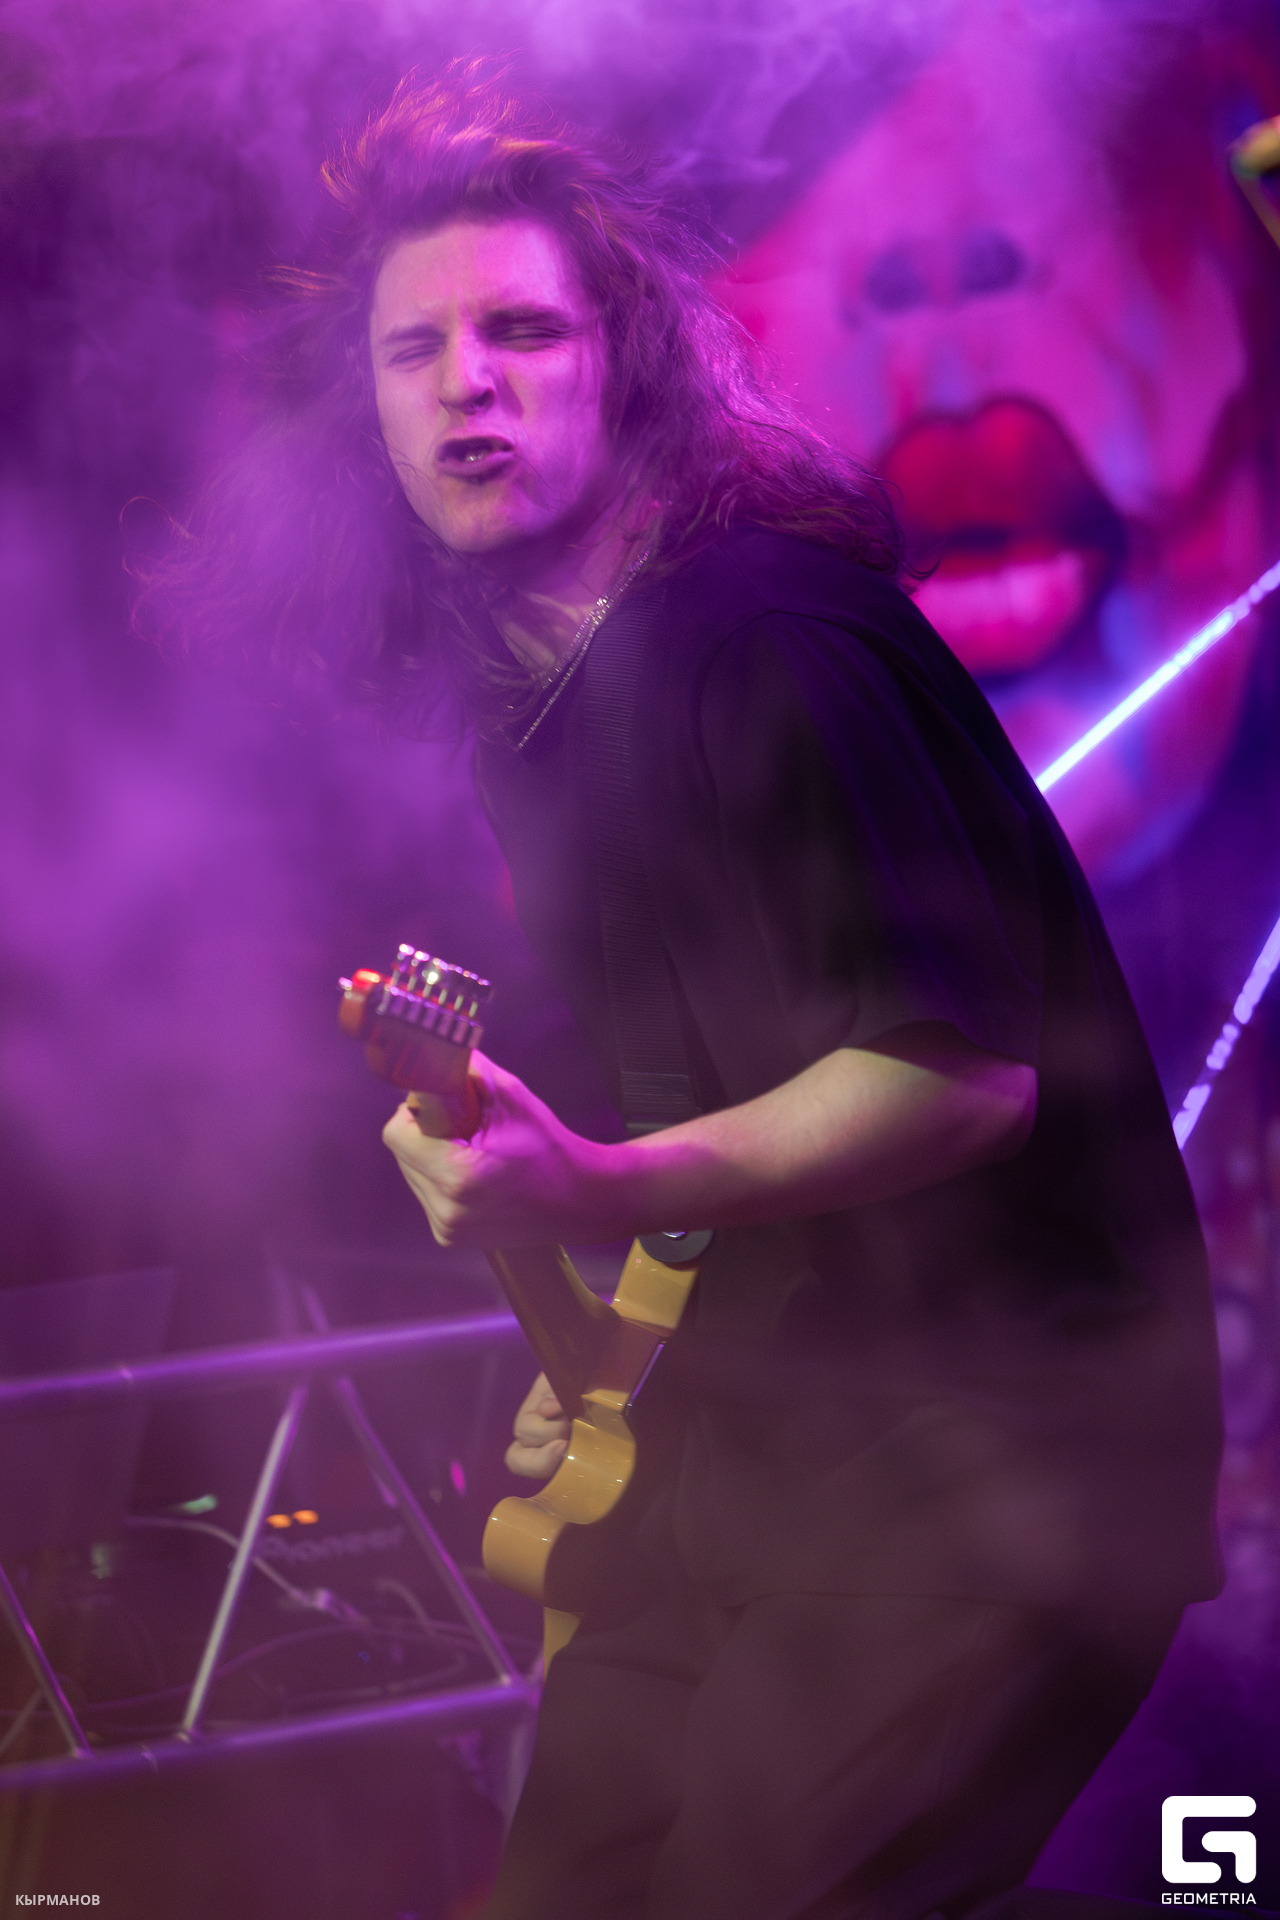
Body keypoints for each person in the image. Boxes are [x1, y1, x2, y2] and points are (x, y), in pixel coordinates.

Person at [150, 66, 1223, 1920]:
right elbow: (713, 1109)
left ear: (626, 370)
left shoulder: (770, 639)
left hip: (991, 1478)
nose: (466, 383)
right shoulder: (540, 719)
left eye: (523, 332)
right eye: (415, 350)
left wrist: (590, 1187)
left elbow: (960, 1079)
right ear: (367, 416)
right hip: (752, 1458)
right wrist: (595, 1337)